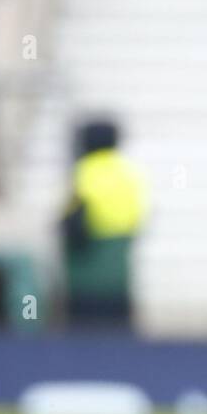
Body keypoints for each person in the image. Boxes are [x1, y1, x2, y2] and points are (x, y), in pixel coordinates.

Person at [60, 119, 150, 326]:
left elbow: (68, 217)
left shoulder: (82, 172)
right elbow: (139, 215)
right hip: (119, 267)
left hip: (86, 270)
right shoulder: (129, 172)